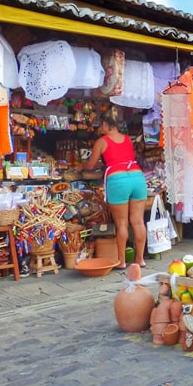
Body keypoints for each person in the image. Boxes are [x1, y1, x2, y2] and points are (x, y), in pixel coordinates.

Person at [78, 108, 147, 270]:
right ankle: (140, 259)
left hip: (118, 180)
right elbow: (124, 158)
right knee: (138, 221)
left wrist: (81, 166)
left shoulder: (102, 141)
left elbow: (91, 165)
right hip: (137, 177)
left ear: (104, 124)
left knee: (122, 223)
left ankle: (122, 261)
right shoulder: (127, 139)